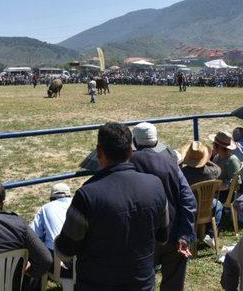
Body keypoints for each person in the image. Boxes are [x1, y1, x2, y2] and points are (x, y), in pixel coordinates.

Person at [55, 122, 169, 291]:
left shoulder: (87, 195)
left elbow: (65, 251)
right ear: (131, 151)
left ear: (99, 152)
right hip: (143, 283)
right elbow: (162, 237)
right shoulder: (156, 185)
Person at [131, 125, 197, 291]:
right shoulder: (171, 162)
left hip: (141, 237)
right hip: (173, 234)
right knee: (174, 283)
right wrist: (185, 235)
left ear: (134, 141)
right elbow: (189, 200)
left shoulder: (128, 163)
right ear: (156, 141)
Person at [179, 141, 223, 233]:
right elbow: (218, 169)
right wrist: (207, 160)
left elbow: (175, 169)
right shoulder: (211, 172)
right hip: (206, 206)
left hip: (187, 207)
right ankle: (211, 233)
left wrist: (182, 161)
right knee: (218, 204)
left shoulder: (182, 173)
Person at [31, 183, 73, 252]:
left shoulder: (45, 208)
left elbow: (34, 234)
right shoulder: (76, 203)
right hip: (79, 251)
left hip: (55, 253)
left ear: (51, 198)